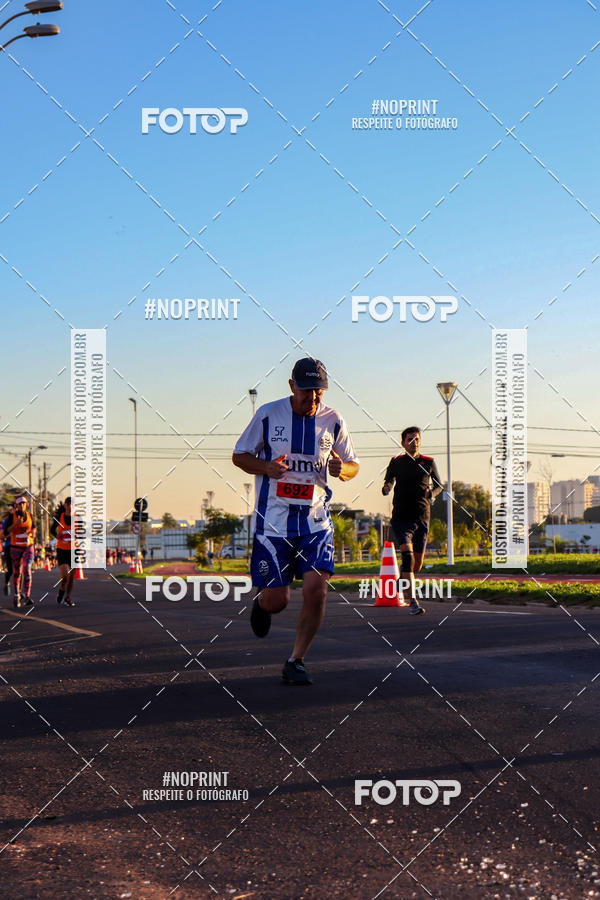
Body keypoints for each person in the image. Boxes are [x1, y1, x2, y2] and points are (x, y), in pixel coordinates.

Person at [232, 358, 359, 685]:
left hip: (315, 523)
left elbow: (352, 465)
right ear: (292, 386)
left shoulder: (333, 421)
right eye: (306, 392)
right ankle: (262, 603)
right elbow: (240, 455)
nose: (312, 399)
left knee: (317, 590)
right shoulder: (268, 415)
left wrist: (340, 469)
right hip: (273, 525)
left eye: (318, 393)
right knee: (278, 601)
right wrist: (266, 468)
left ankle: (296, 660)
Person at [382, 427, 443, 614]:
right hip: (401, 517)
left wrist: (431, 493)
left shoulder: (429, 462)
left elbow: (439, 486)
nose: (414, 442)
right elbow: (389, 480)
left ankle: (403, 579)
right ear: (403, 443)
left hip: (422, 516)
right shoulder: (396, 462)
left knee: (417, 564)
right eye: (410, 439)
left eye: (416, 439)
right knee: (407, 558)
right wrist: (386, 487)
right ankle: (413, 601)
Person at [5, 496, 36, 608]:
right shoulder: (11, 517)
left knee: (27, 569)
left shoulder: (29, 515)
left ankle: (27, 596)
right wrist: (16, 524)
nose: (22, 505)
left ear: (26, 504)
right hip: (16, 547)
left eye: (24, 503)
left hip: (28, 546)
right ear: (16, 506)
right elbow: (6, 531)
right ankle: (17, 595)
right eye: (20, 504)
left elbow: (33, 527)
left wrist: (33, 533)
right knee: (17, 572)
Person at [50, 497, 76, 606]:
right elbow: (52, 530)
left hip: (74, 550)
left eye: (72, 504)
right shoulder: (59, 517)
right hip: (62, 549)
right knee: (65, 576)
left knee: (71, 578)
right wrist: (57, 536)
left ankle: (68, 597)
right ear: (65, 505)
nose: (70, 506)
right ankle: (61, 590)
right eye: (68, 504)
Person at [2, 503, 14, 599]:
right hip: (9, 546)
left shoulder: (24, 518)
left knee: (20, 570)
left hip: (21, 546)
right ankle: (6, 583)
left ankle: (19, 593)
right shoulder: (6, 521)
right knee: (11, 570)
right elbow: (1, 536)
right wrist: (9, 535)